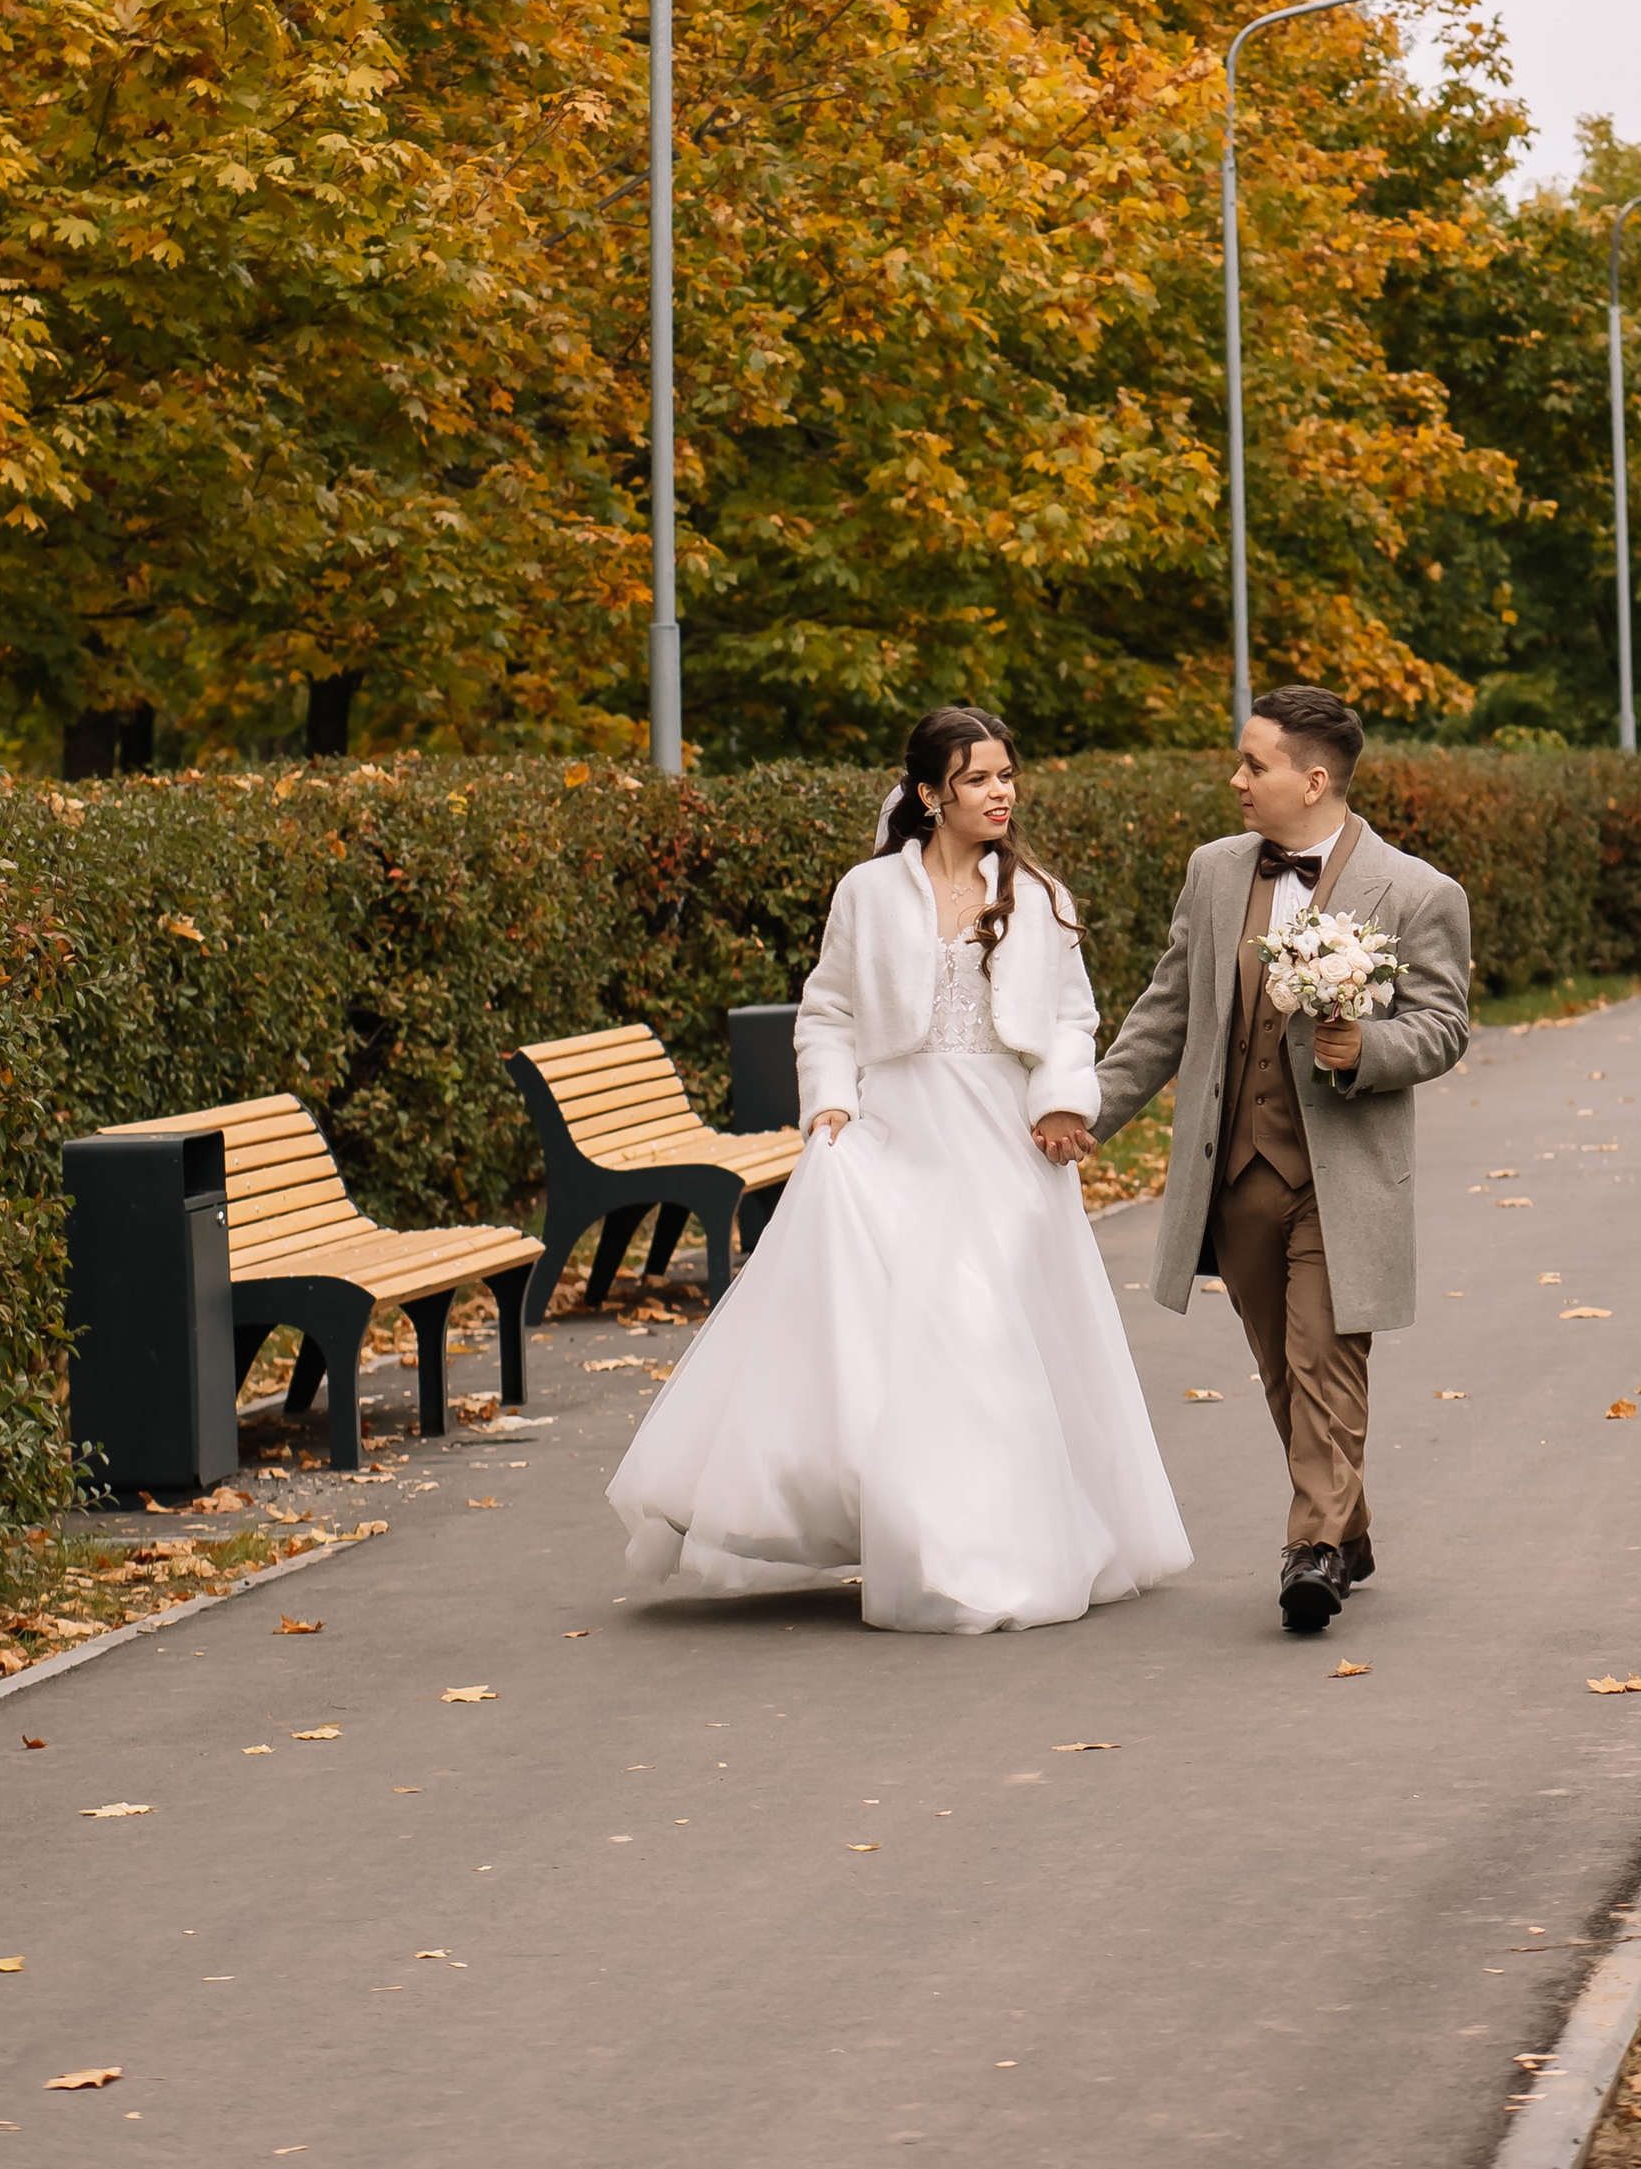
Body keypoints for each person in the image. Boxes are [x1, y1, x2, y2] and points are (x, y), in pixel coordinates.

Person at [607, 705, 1192, 1636]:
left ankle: (997, 1548)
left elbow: (1074, 1020)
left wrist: (1062, 1103)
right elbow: (828, 1009)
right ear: (930, 794)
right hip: (895, 1135)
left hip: (1003, 1139)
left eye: (1007, 775)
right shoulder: (868, 892)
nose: (1000, 793)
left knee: (985, 1324)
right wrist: (829, 1099)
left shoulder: (1038, 895)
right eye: (977, 779)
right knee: (916, 1341)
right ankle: (932, 1539)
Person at [1083, 684, 1470, 1638]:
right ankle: (1349, 1525)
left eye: (1253, 763)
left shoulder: (1417, 890)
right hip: (1238, 1174)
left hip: (1344, 1175)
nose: (1237, 779)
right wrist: (1083, 1114)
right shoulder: (1214, 873)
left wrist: (1366, 1050)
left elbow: (1446, 1024)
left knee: (1325, 1355)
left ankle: (1311, 1553)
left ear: (1316, 777)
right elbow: (1167, 1010)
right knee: (1281, 1370)